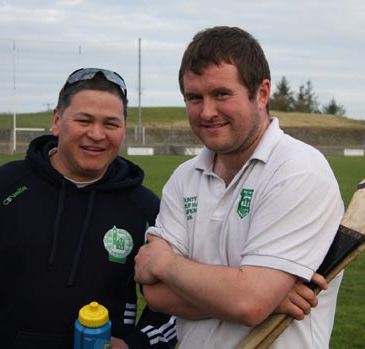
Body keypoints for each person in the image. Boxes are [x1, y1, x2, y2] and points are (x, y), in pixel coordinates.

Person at [134, 26, 344, 348]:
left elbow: (248, 302)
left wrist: (164, 263)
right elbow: (156, 294)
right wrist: (257, 297)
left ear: (261, 94)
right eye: (194, 98)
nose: (207, 112)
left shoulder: (298, 170)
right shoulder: (184, 177)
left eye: (221, 94)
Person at [0, 68, 176, 349]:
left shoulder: (146, 209)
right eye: (84, 120)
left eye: (111, 124)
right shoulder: (1, 189)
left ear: (123, 130)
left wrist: (135, 344)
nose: (96, 134)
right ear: (57, 121)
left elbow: (176, 302)